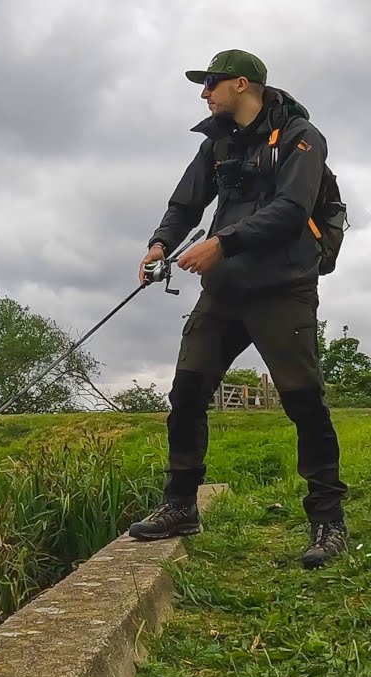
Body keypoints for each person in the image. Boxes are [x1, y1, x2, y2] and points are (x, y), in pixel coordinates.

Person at [127, 49, 349, 569]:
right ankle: (180, 505)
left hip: (282, 287)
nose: (205, 93)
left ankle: (327, 520)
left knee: (304, 403)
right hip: (224, 292)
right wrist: (161, 244)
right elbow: (186, 203)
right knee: (186, 391)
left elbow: (292, 211)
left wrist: (222, 243)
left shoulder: (301, 138)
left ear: (242, 84)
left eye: (211, 83)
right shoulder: (218, 143)